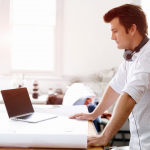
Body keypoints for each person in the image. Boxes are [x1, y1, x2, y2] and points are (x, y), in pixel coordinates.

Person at [69, 4, 150, 149]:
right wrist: (94, 114)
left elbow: (129, 97)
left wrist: (104, 137)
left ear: (132, 29)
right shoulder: (131, 56)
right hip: (137, 144)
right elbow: (115, 86)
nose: (112, 37)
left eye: (115, 31)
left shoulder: (147, 57)